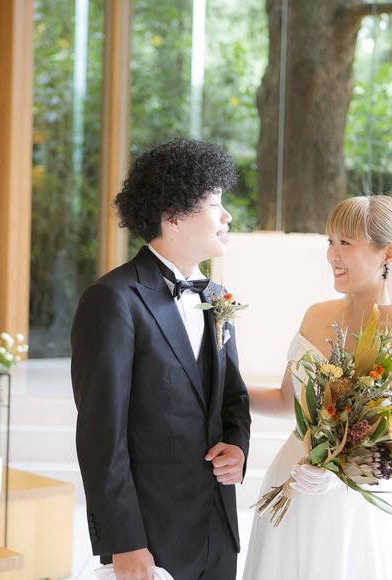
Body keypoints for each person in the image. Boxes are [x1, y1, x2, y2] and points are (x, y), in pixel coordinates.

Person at [242, 195, 392, 580]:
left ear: (388, 253)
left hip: (354, 510)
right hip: (291, 485)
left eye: (345, 243)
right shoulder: (317, 315)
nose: (332, 255)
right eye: (330, 241)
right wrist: (220, 387)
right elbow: (287, 401)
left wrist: (339, 471)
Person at [71, 138, 251, 580]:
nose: (227, 216)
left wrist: (238, 446)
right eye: (215, 204)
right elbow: (101, 436)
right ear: (173, 216)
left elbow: (233, 396)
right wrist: (124, 542)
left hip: (218, 531)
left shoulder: (216, 296)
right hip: (151, 537)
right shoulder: (113, 299)